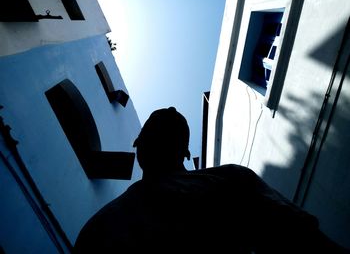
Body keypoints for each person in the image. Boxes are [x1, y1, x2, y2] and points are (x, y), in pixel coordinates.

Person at [74, 107, 349, 253]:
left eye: (169, 135)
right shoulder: (103, 225)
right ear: (137, 142)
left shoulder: (231, 180)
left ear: (184, 151)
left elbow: (299, 235)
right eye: (153, 132)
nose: (157, 139)